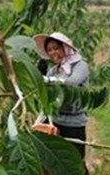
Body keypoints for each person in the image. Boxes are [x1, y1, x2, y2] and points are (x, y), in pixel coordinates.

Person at [33, 32, 90, 162]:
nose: (53, 52)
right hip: (56, 120)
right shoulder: (54, 70)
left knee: (76, 161)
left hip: (73, 123)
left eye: (56, 48)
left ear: (65, 48)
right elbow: (47, 93)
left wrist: (45, 79)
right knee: (55, 158)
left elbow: (71, 82)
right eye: (49, 50)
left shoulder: (80, 66)